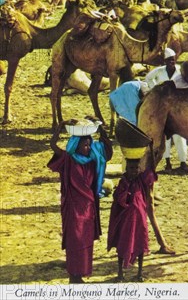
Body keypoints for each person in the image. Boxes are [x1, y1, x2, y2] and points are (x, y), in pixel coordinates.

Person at [48, 118, 112, 283]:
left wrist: (101, 130)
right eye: (84, 145)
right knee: (74, 241)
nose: (88, 148)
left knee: (85, 242)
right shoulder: (67, 160)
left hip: (88, 208)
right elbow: (53, 145)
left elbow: (108, 152)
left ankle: (80, 274)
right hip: (73, 209)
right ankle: (73, 275)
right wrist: (61, 126)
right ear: (76, 144)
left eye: (89, 145)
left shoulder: (92, 161)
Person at [107, 158, 157, 282]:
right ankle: (120, 273)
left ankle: (139, 273)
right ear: (126, 169)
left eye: (136, 168)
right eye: (131, 168)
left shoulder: (141, 180)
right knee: (122, 244)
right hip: (125, 220)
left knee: (140, 244)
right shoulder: (123, 182)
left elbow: (151, 173)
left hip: (139, 218)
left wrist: (151, 152)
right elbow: (118, 198)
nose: (134, 171)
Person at [145, 48, 188, 173]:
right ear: (165, 61)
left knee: (180, 134)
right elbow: (148, 78)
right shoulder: (159, 72)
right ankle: (167, 162)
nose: (172, 62)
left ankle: (183, 161)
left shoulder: (180, 72)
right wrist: (156, 89)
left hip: (177, 107)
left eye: (173, 60)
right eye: (169, 60)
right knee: (165, 136)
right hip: (163, 108)